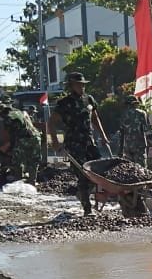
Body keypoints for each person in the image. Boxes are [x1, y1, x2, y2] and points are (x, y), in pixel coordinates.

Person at [47, 71, 112, 215]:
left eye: (83, 85)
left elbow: (95, 118)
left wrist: (103, 135)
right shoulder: (64, 103)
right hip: (74, 144)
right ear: (71, 86)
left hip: (89, 141)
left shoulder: (89, 99)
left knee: (98, 172)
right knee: (83, 174)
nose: (81, 87)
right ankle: (87, 209)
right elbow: (51, 123)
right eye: (78, 85)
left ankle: (82, 194)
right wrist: (56, 144)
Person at [0, 103, 41, 183]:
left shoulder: (8, 117)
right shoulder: (20, 112)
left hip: (24, 138)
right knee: (34, 160)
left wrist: (8, 146)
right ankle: (32, 181)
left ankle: (18, 181)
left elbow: (11, 134)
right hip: (36, 136)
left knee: (17, 159)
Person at [118, 95, 151, 165]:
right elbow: (147, 130)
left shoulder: (123, 115)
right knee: (141, 168)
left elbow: (121, 133)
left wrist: (120, 150)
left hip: (128, 147)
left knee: (130, 167)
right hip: (140, 146)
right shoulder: (142, 113)